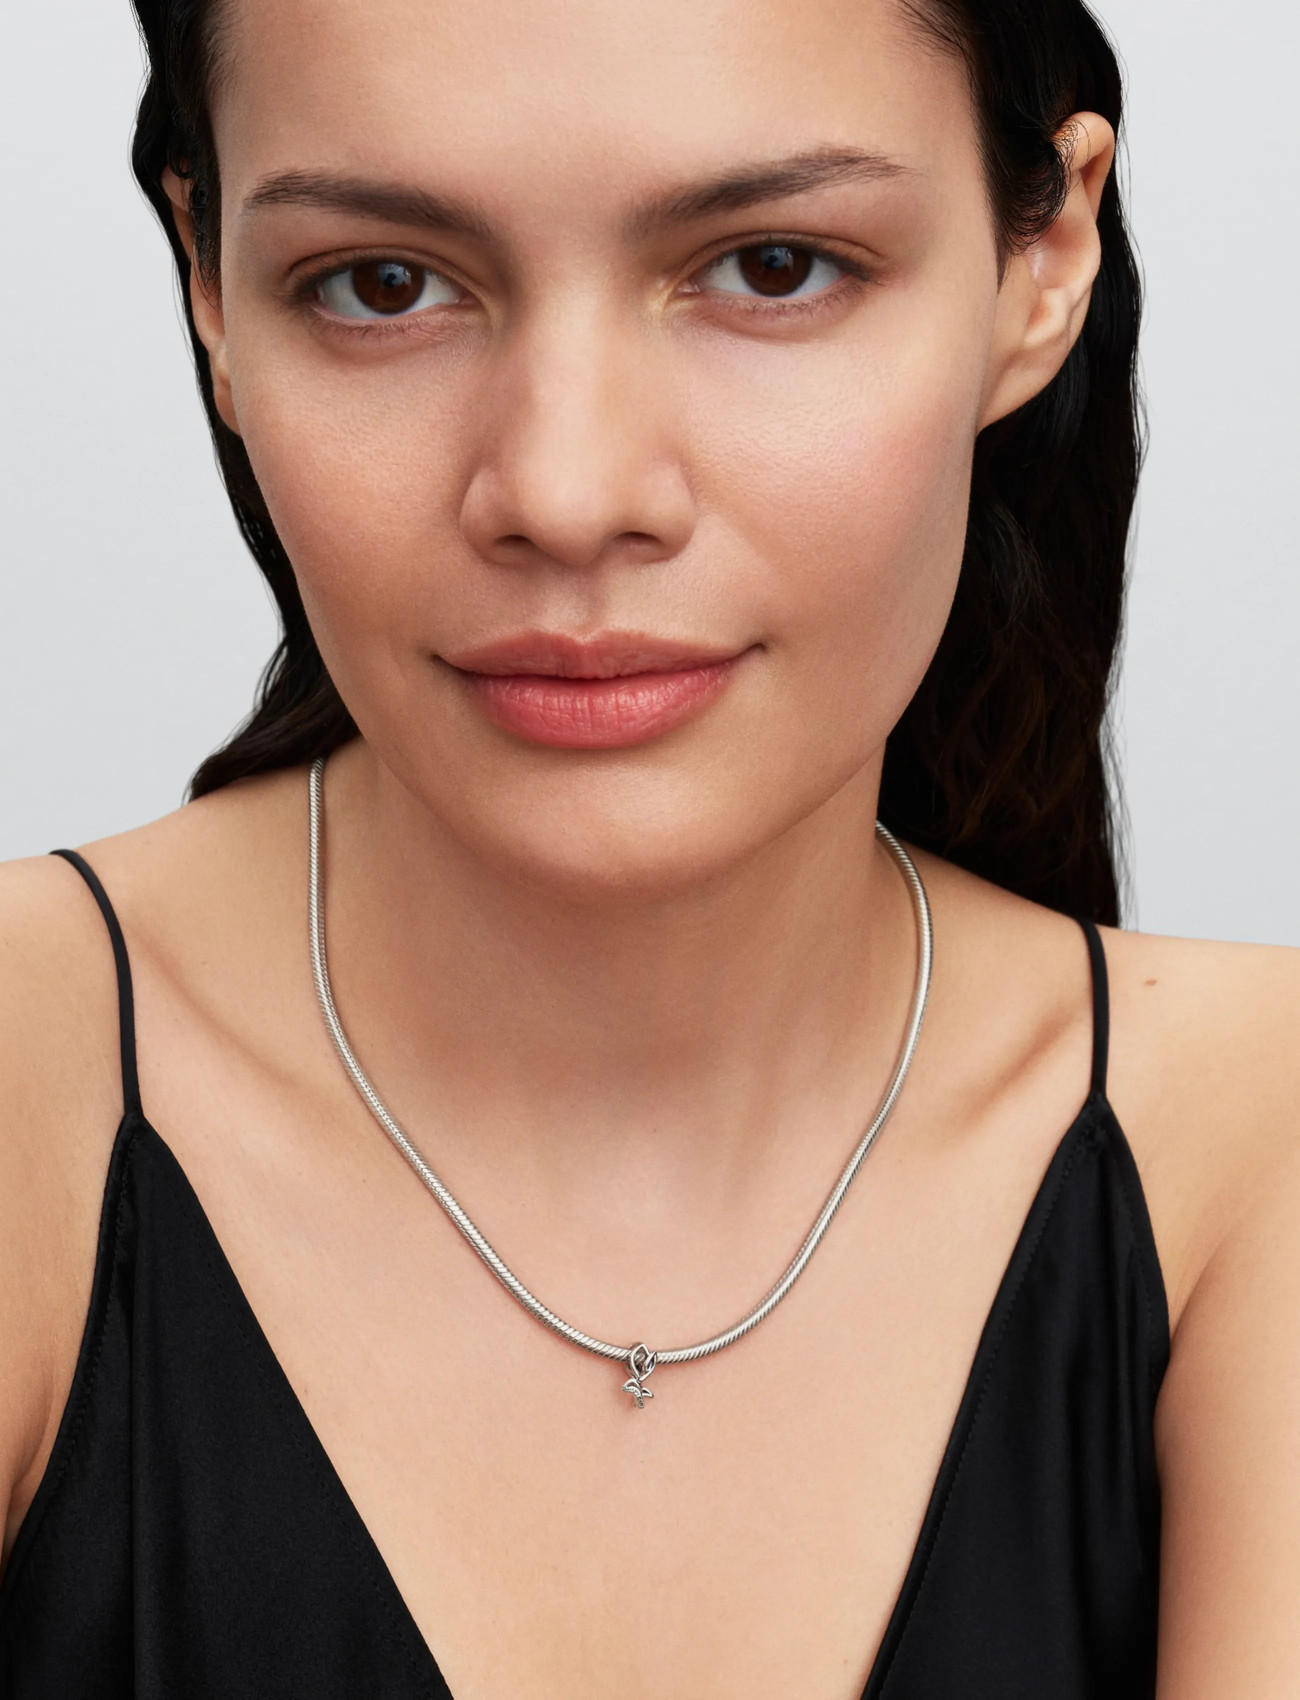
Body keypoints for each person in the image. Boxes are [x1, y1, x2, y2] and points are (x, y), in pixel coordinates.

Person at [1, 0, 1297, 1692]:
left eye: (772, 266)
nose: (566, 488)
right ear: (211, 286)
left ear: (1041, 260)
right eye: (381, 284)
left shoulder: (1252, 1146)